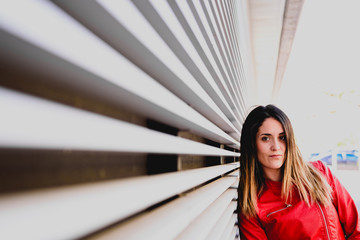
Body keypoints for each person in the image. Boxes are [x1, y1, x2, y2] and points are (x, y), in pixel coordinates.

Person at [238, 104, 360, 239]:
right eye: (265, 138)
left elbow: (356, 229)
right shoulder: (252, 205)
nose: (276, 147)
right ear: (252, 144)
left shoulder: (319, 173)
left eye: (282, 137)